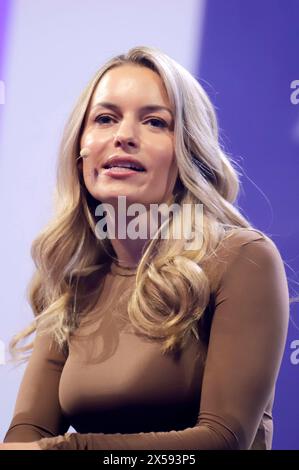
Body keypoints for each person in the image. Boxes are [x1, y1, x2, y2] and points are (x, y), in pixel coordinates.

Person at [1, 46, 289, 451]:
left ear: (189, 151)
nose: (123, 136)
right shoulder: (75, 282)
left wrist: (67, 449)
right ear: (80, 148)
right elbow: (25, 436)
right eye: (105, 118)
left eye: (155, 122)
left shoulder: (242, 259)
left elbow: (223, 441)